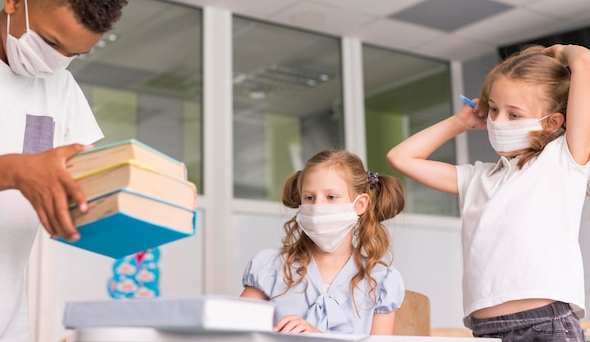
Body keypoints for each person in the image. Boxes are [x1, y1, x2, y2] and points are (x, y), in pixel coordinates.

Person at [0, 0, 126, 341]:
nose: (55, 61)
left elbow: (85, 182)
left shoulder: (62, 90)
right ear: (14, 0)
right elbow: (26, 173)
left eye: (72, 54)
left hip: (3, 324)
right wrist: (17, 172)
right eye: (52, 43)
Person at [386, 44, 590, 342]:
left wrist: (562, 52)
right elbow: (401, 158)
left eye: (514, 114)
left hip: (545, 323)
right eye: (493, 109)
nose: (497, 121)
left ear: (552, 123)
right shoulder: (476, 178)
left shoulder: (562, 161)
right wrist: (461, 122)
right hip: (486, 330)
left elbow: (584, 60)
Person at [240, 149, 405, 335]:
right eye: (309, 198)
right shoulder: (271, 267)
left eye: (331, 197)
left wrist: (319, 338)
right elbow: (233, 334)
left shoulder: (381, 281)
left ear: (360, 204)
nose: (318, 207)